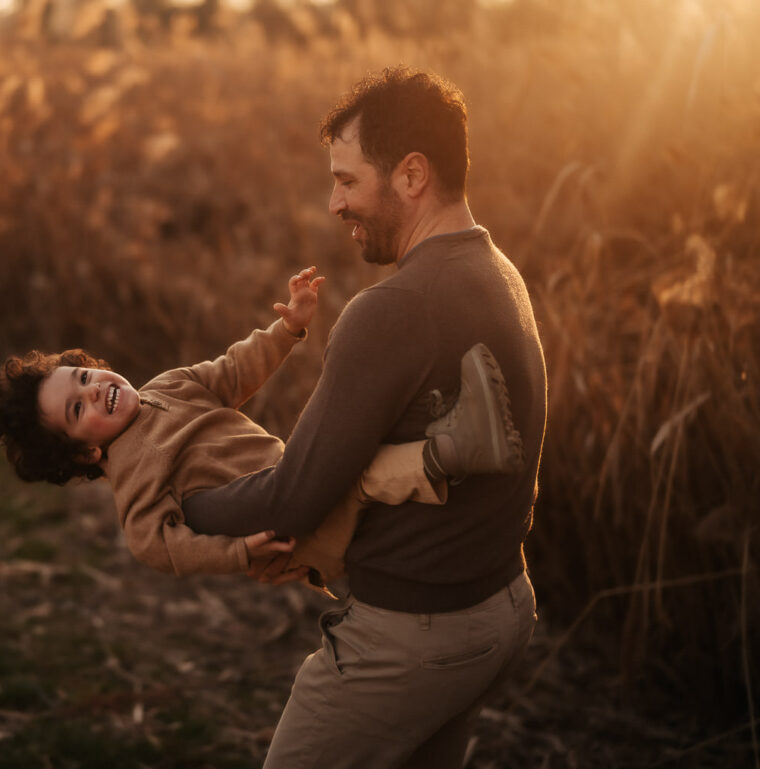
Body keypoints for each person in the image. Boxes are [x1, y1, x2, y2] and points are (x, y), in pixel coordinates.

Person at [181, 67, 548, 768]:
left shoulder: (393, 309)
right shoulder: (498, 271)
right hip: (499, 609)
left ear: (412, 175)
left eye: (347, 181)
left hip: (412, 639)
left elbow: (295, 493)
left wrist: (180, 507)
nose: (332, 203)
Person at [0, 266, 525, 595]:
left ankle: (455, 436)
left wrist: (288, 328)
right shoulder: (135, 480)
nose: (93, 389)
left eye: (82, 376)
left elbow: (234, 370)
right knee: (360, 475)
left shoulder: (167, 387)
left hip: (292, 476)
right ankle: (458, 447)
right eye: (77, 410)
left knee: (363, 461)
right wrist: (241, 553)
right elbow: (162, 549)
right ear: (84, 455)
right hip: (295, 532)